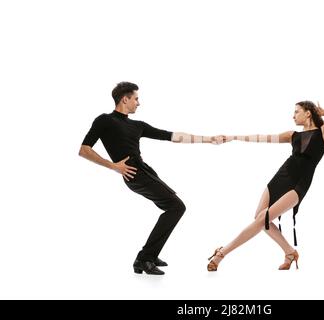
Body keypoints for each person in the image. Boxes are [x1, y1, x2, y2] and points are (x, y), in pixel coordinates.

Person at [79, 82, 225, 275]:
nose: (138, 103)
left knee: (173, 207)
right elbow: (84, 149)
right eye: (136, 99)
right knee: (176, 206)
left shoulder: (137, 125)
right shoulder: (104, 120)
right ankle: (144, 258)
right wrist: (113, 166)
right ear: (125, 99)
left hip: (145, 171)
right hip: (133, 174)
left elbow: (170, 136)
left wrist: (208, 139)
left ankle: (149, 254)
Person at [207, 101, 324, 271]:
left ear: (308, 113)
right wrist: (234, 137)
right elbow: (263, 138)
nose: (293, 115)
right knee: (260, 218)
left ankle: (222, 253)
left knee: (263, 219)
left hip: (299, 183)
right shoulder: (292, 135)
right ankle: (290, 252)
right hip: (281, 177)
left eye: (297, 111)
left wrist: (323, 111)